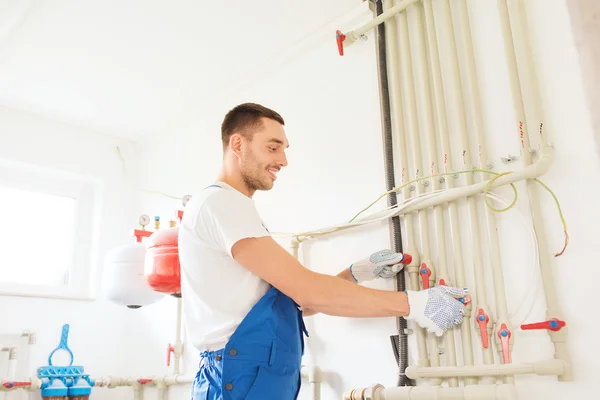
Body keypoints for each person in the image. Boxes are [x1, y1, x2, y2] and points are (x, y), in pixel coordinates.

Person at [178, 103, 469, 400]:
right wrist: (414, 304)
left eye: (284, 149)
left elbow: (293, 305)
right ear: (237, 144)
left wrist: (355, 274)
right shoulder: (221, 204)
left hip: (250, 375)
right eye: (273, 147)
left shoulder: (233, 210)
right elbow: (307, 292)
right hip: (236, 376)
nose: (283, 160)